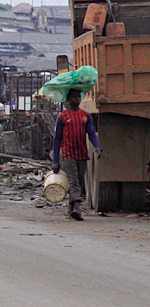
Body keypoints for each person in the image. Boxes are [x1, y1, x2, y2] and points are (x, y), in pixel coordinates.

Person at [52, 89, 102, 221]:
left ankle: (71, 208)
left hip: (82, 154)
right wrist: (55, 160)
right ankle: (78, 210)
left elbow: (91, 133)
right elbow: (57, 140)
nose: (78, 100)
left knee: (79, 181)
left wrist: (97, 147)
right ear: (68, 100)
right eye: (74, 97)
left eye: (79, 97)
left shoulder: (86, 116)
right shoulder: (62, 117)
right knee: (74, 181)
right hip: (68, 154)